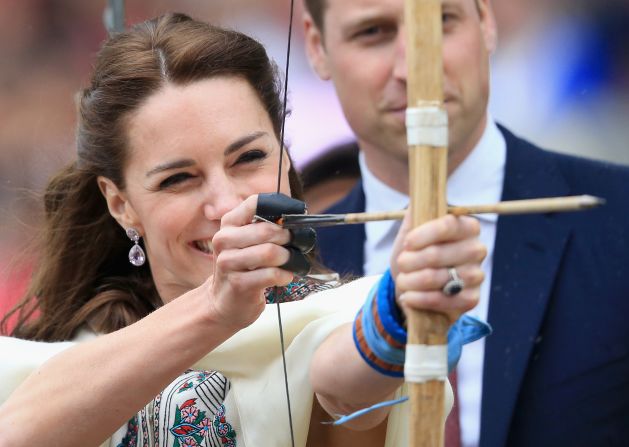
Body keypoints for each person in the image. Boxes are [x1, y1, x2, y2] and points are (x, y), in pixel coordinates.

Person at [0, 12, 488, 447]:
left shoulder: (336, 314)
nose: (227, 204)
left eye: (250, 158)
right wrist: (215, 308)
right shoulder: (75, 346)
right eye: (178, 179)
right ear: (121, 204)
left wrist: (397, 311)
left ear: (285, 153)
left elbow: (344, 382)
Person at [302, 0, 629, 446]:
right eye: (373, 32)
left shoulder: (617, 216)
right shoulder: (295, 265)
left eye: (441, 22)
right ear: (316, 46)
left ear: (486, 20)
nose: (414, 66)